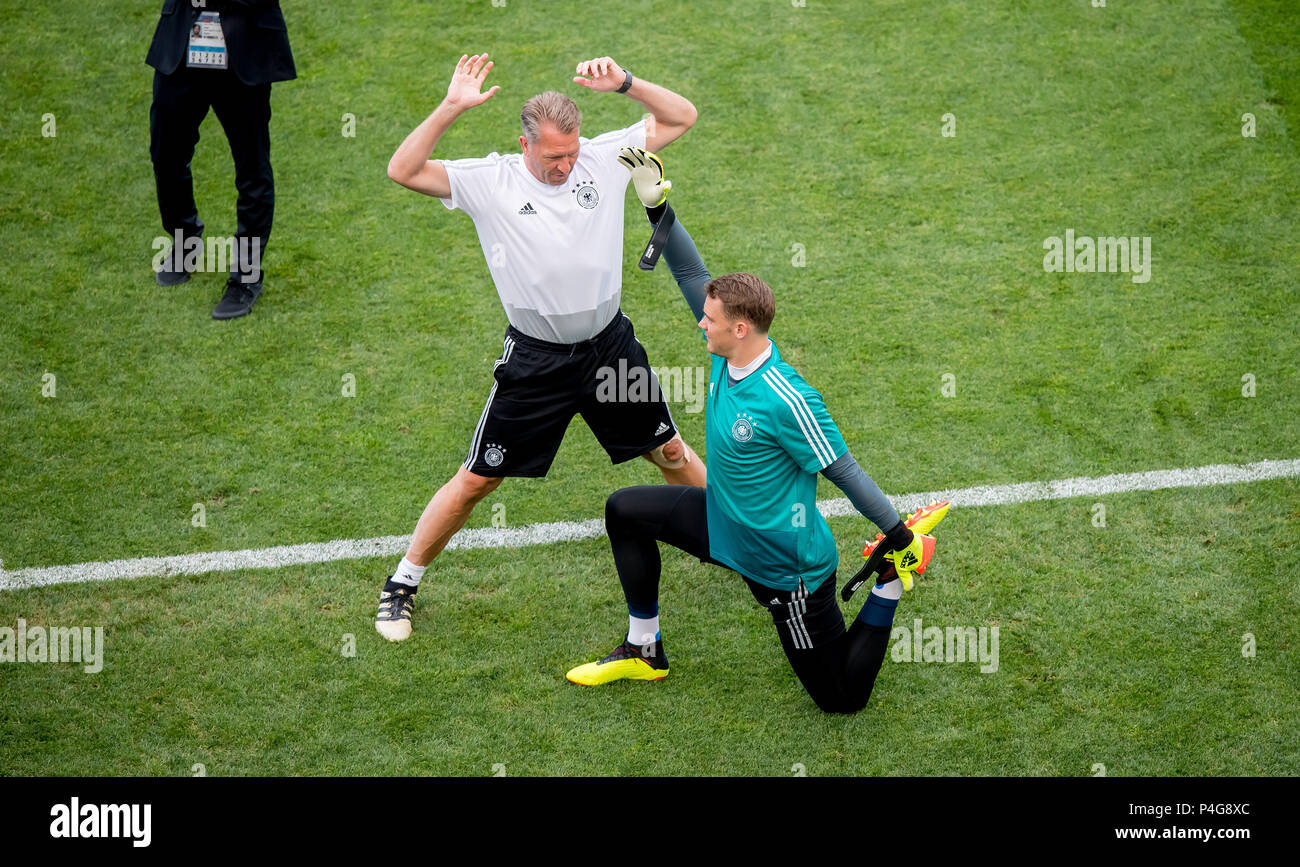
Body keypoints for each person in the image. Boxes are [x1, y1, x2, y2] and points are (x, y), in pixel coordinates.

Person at [565, 149, 942, 713]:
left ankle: (887, 583)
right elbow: (693, 274)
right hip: (722, 523)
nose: (701, 322)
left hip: (783, 565)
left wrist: (897, 535)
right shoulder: (728, 353)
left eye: (709, 320)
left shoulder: (786, 398)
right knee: (625, 510)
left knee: (841, 699)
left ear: (740, 328)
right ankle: (645, 647)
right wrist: (656, 208)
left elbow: (843, 469)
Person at [377, 55, 705, 641]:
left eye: (571, 152)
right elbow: (403, 170)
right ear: (524, 143)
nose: (566, 165)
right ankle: (402, 583)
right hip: (537, 361)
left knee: (672, 454)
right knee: (479, 479)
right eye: (554, 155)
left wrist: (626, 85)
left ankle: (755, 537)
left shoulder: (602, 159)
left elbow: (682, 116)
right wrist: (452, 106)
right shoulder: (490, 179)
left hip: (609, 349)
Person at [147, 0, 296, 320]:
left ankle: (246, 276)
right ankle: (185, 242)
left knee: (251, 168)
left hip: (245, 46)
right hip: (182, 42)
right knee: (166, 154)